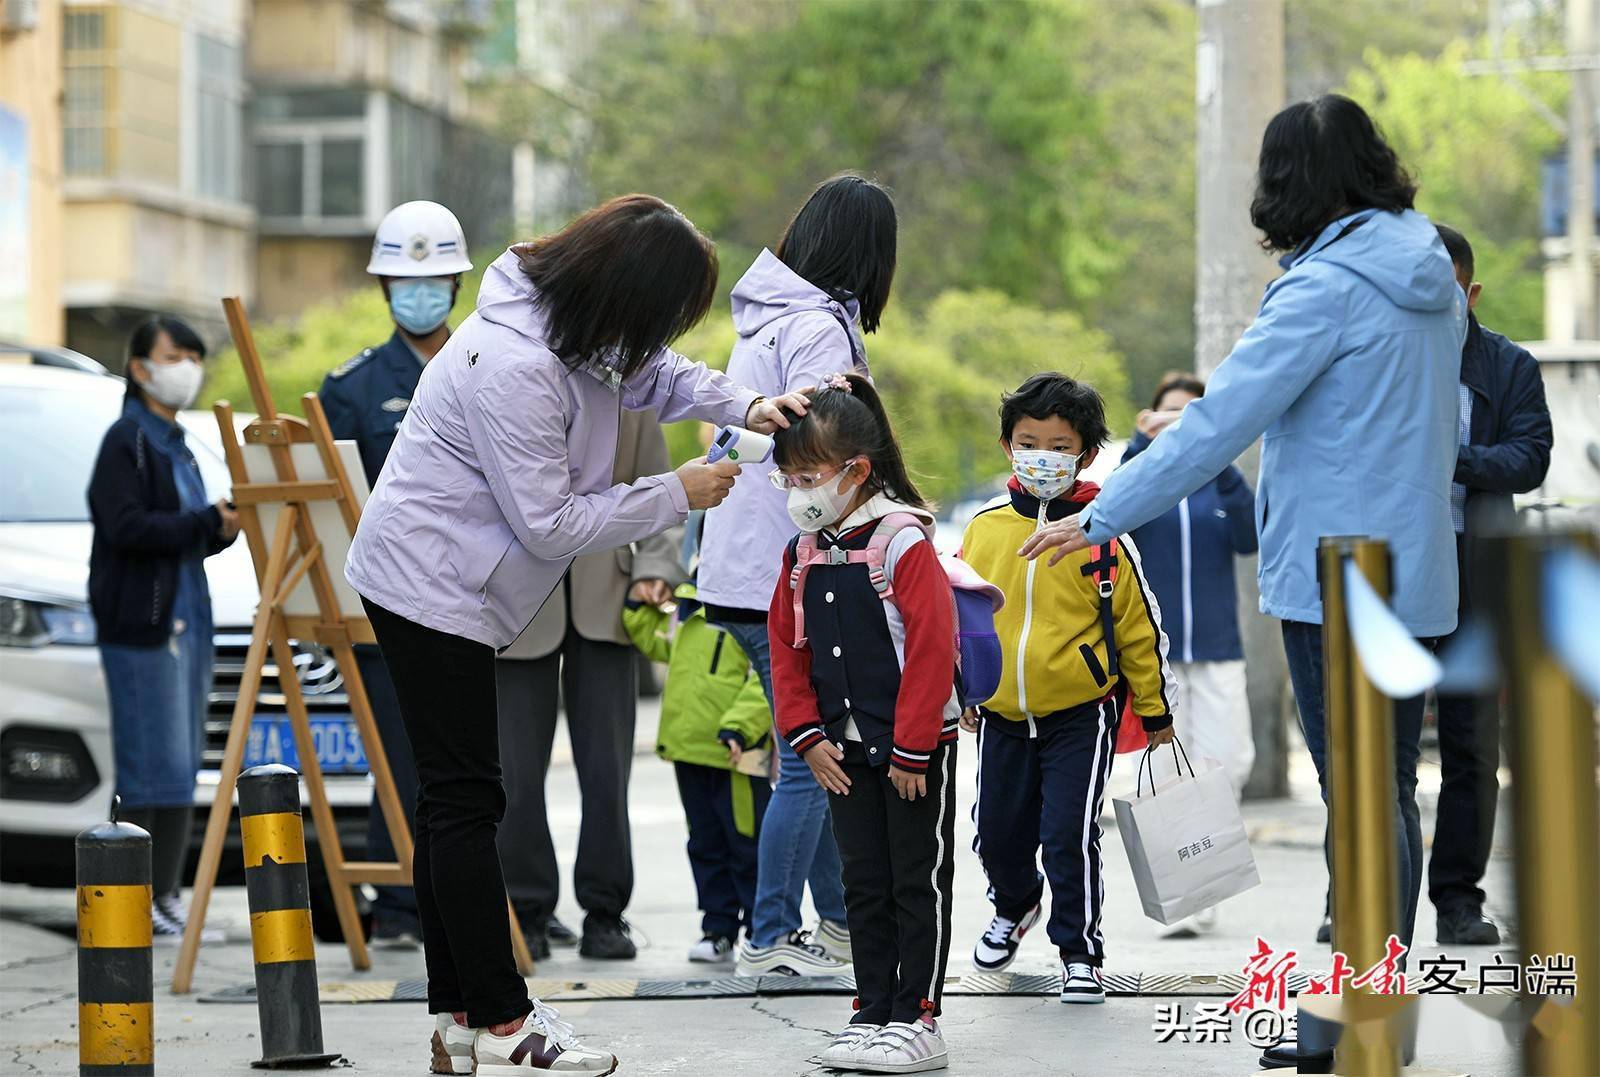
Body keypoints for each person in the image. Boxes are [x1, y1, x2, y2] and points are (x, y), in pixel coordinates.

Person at [1014, 96, 1465, 1070]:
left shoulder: (1324, 289)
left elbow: (1221, 422)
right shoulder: (1424, 267)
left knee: (1361, 796)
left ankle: (1358, 1022)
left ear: (1288, 186)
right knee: (1385, 790)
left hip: (1336, 575)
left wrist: (1096, 515)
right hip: (1417, 565)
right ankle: (1377, 1009)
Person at [344, 194, 808, 1076]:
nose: (661, 333)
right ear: (622, 292)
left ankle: (456, 1019)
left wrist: (751, 405)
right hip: (426, 581)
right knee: (467, 801)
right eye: (661, 312)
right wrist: (678, 490)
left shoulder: (574, 325)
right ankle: (505, 1018)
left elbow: (659, 375)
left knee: (455, 803)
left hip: (452, 576)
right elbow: (550, 521)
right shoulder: (512, 360)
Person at [698, 173, 897, 978]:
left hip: (741, 566)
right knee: (813, 756)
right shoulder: (816, 329)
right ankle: (773, 937)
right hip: (786, 571)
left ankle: (838, 925)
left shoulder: (770, 319)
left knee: (807, 749)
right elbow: (829, 460)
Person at [960, 373, 1177, 1004]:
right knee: (995, 832)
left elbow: (1138, 629)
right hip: (1000, 715)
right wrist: (963, 690)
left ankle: (1079, 951)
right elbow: (961, 616)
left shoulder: (1103, 532)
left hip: (1081, 713)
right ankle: (1015, 903)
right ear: (1007, 446)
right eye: (1029, 442)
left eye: (1059, 446)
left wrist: (1155, 707)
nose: (1042, 457)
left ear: (1083, 454)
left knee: (1069, 833)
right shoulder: (984, 529)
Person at [768, 373, 959, 1074]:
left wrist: (913, 749)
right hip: (841, 752)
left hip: (913, 750)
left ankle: (920, 1014)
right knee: (863, 881)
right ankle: (872, 1007)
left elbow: (935, 649)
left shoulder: (902, 541)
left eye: (809, 474)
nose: (798, 490)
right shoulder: (803, 551)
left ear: (857, 470)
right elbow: (790, 652)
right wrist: (808, 736)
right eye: (787, 475)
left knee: (917, 878)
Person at [320, 199, 473, 948]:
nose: (421, 292)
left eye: (436, 278)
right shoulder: (348, 387)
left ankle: (467, 903)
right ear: (384, 288)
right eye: (406, 281)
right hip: (384, 602)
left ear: (456, 284)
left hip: (473, 598)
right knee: (395, 753)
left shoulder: (481, 364)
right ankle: (403, 906)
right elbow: (334, 501)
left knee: (467, 766)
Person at [494, 408, 684, 961]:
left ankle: (606, 913)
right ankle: (527, 912)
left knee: (607, 772)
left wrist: (656, 567)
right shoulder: (509, 381)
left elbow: (661, 492)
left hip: (611, 596)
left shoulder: (632, 387)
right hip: (516, 602)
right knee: (515, 775)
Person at [88, 316, 241, 939]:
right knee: (145, 764)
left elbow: (182, 535)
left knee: (180, 763)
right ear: (140, 366)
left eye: (193, 356)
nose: (186, 367)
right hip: (143, 626)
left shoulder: (179, 441)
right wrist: (205, 521)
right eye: (174, 355)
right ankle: (129, 894)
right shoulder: (128, 440)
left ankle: (168, 894)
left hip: (190, 616)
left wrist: (218, 529)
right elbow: (127, 527)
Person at [1426, 224, 1551, 945]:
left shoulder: (1508, 365)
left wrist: (1448, 457)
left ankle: (1458, 899)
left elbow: (1528, 457)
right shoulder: (1382, 360)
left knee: (1472, 745)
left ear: (1469, 293)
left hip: (1476, 569)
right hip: (1396, 568)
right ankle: (1350, 890)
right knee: (1370, 743)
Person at [1123, 371, 1257, 938]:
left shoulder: (1219, 483)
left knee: (1230, 760)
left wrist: (1219, 452)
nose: (1178, 423)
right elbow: (1115, 510)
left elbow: (1252, 536)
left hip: (1219, 647)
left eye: (1192, 415)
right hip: (1159, 655)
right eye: (1169, 413)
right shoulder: (1144, 478)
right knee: (1165, 774)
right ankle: (1187, 897)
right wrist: (1140, 445)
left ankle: (1210, 876)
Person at [623, 575, 773, 963]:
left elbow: (765, 678)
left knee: (748, 844)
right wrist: (638, 607)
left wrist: (740, 724)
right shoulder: (686, 606)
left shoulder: (751, 604)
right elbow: (657, 643)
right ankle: (717, 928)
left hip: (733, 753)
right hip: (688, 749)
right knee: (704, 844)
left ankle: (763, 929)